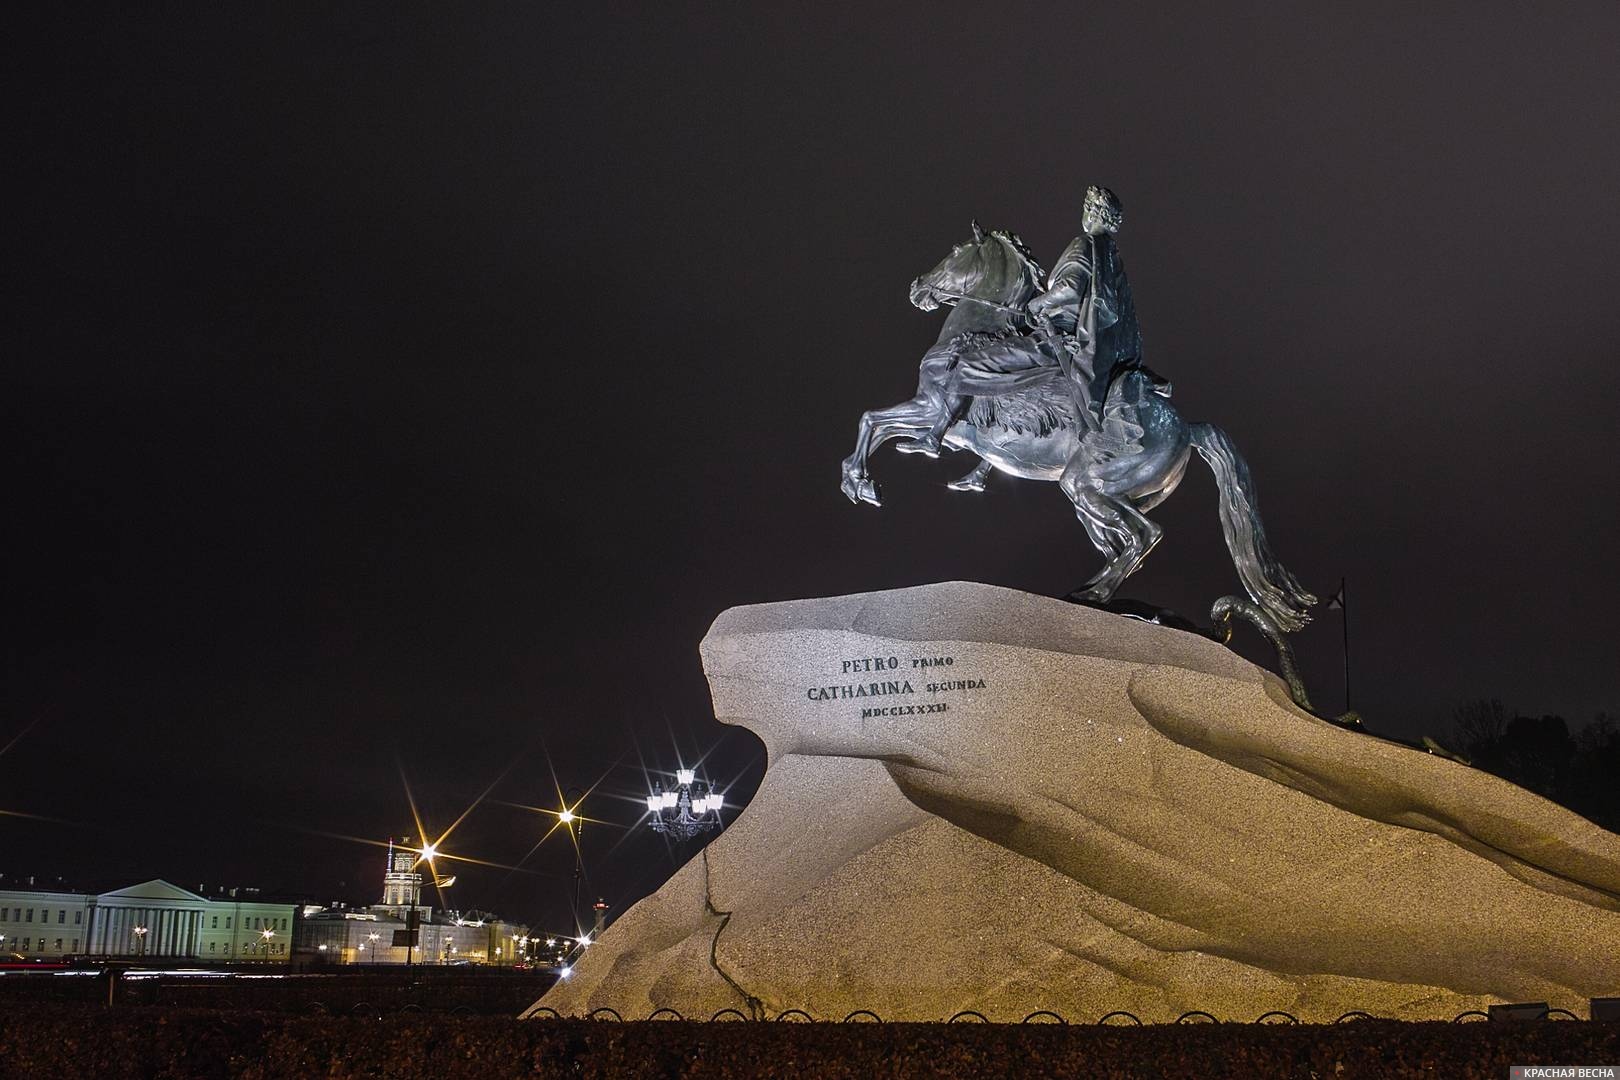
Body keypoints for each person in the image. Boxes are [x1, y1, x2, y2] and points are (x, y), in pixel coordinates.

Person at [1027, 185, 1146, 428]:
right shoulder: (1110, 253)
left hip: (1067, 330)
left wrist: (1035, 304)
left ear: (1091, 213)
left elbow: (1070, 288)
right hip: (1098, 339)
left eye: (1085, 208)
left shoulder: (1085, 243)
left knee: (1002, 358)